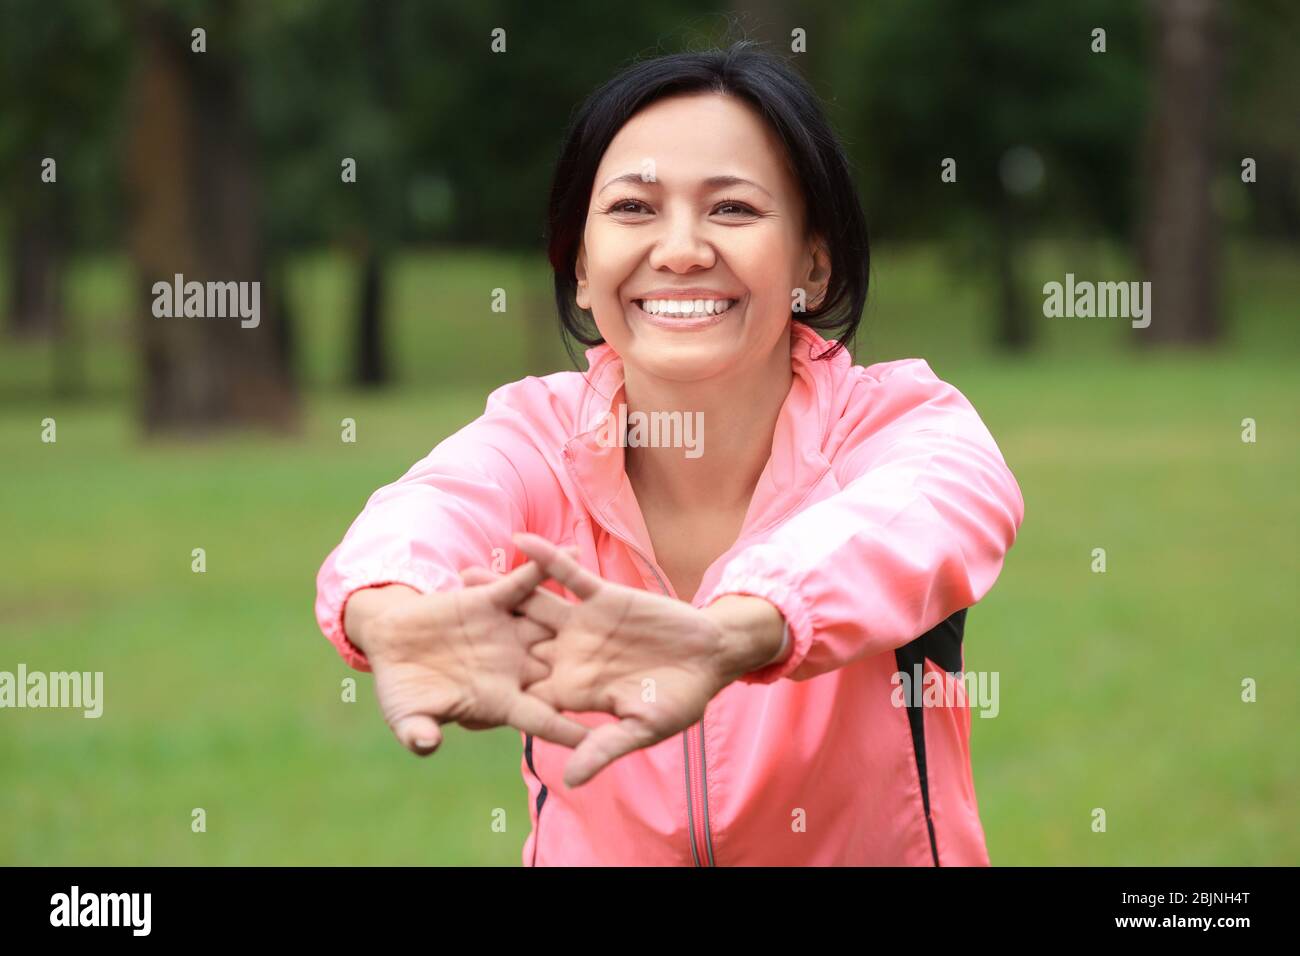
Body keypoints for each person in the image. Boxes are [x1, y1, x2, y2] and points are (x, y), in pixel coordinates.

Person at [314, 40, 1025, 866]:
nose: (681, 249)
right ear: (581, 266)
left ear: (814, 265)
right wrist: (393, 613)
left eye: (732, 209)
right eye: (632, 209)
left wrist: (730, 634)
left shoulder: (897, 427)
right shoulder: (537, 437)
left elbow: (933, 512)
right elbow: (424, 512)